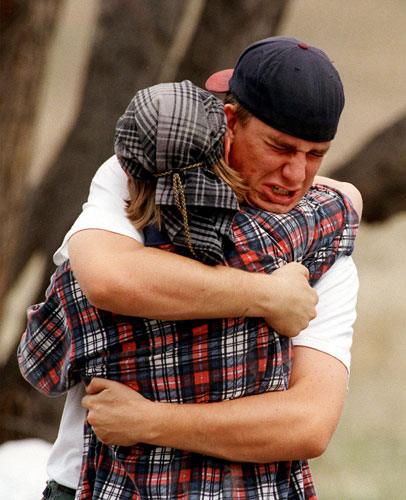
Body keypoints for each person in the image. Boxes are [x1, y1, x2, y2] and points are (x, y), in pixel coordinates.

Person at [19, 37, 362, 499]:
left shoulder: (324, 238)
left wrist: (150, 422)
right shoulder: (322, 230)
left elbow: (307, 425)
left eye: (314, 154)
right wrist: (270, 296)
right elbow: (108, 280)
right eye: (279, 147)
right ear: (228, 123)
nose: (296, 176)